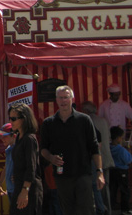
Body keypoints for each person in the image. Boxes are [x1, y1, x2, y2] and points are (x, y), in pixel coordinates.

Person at [40, 85, 105, 215]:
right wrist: (51, 158)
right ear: (56, 100)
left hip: (83, 174)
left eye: (66, 97)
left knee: (86, 209)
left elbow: (94, 147)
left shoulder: (84, 120)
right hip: (61, 176)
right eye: (61, 98)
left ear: (72, 99)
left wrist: (99, 172)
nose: (63, 101)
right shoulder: (49, 123)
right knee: (67, 210)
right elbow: (43, 149)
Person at [81, 100, 114, 215]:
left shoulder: (88, 121)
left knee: (97, 188)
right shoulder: (103, 121)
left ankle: (102, 210)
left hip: (96, 161)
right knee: (106, 189)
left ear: (86, 111)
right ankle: (108, 211)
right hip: (106, 158)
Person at [9, 103, 42, 215]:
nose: (11, 122)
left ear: (24, 119)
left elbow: (31, 167)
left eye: (14, 119)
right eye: (10, 118)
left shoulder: (29, 139)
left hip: (29, 188)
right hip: (19, 185)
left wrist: (25, 191)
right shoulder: (18, 137)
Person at [109, 126, 132, 215]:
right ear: (118, 138)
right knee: (125, 191)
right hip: (122, 171)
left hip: (113, 170)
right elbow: (128, 160)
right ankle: (125, 209)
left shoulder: (109, 148)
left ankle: (111, 206)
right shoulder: (121, 150)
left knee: (112, 190)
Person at [0, 122, 15, 205]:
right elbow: (6, 167)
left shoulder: (19, 149)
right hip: (11, 189)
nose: (2, 139)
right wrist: (0, 183)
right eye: (1, 136)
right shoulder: (8, 149)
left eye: (5, 136)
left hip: (18, 189)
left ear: (13, 135)